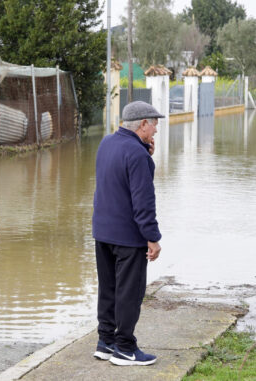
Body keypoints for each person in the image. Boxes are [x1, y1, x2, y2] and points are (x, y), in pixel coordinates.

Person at [92, 101, 163, 366]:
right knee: (129, 293)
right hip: (127, 237)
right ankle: (124, 348)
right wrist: (152, 238)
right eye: (154, 124)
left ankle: (106, 341)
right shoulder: (137, 154)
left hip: (103, 232)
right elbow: (143, 200)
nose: (156, 130)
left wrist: (147, 158)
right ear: (143, 124)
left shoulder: (107, 143)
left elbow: (119, 181)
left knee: (108, 289)